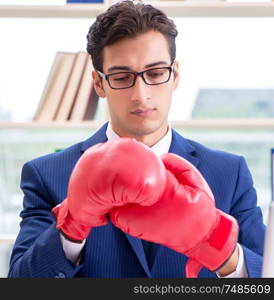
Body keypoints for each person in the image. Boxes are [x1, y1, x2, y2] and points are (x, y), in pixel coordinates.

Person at [8, 0, 265, 278]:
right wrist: (71, 229)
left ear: (175, 75)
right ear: (99, 84)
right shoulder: (48, 174)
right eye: (121, 77)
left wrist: (223, 253)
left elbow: (266, 276)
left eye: (155, 74)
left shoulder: (229, 173)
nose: (140, 94)